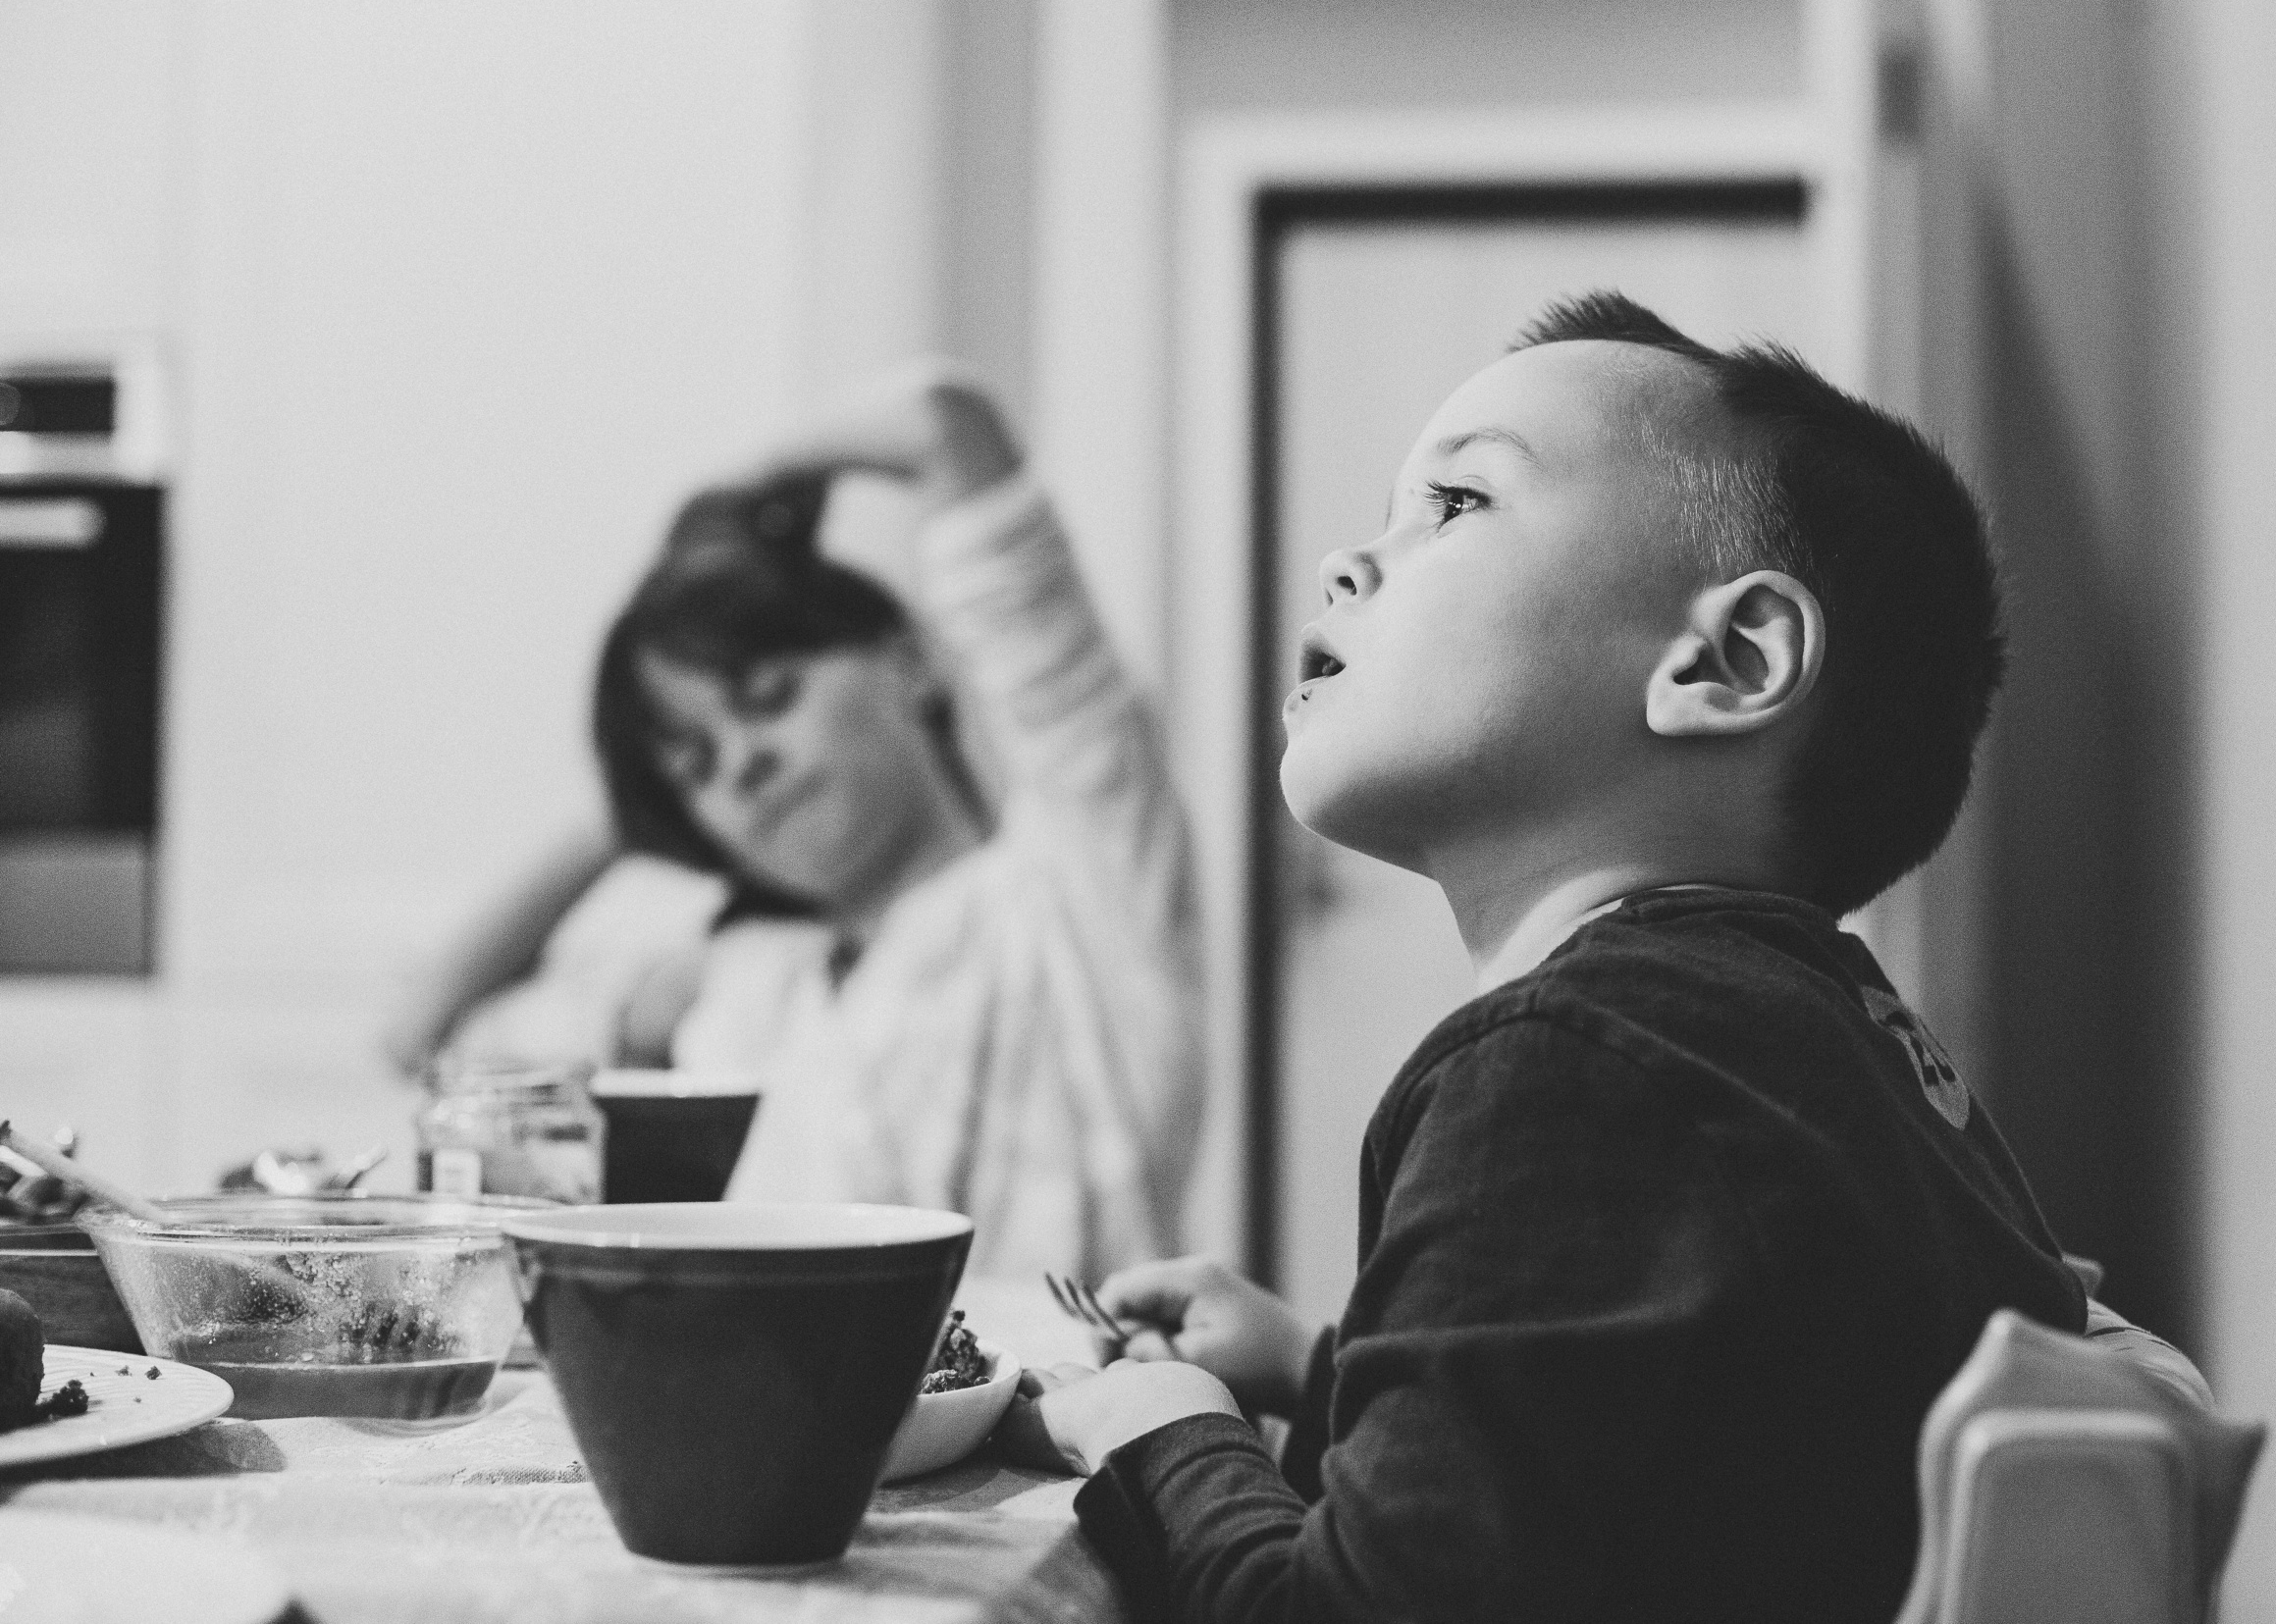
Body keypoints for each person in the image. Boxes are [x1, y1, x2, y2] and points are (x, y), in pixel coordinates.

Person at [1005, 292, 2090, 1621]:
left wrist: (1166, 1426)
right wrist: (1319, 1361)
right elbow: (1706, 1440)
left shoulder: (1580, 1061)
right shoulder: (1807, 1036)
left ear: (1728, 659)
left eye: (1456, 504)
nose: (1350, 557)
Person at [392, 371, 1203, 1280]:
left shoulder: (1079, 892)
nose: (741, 761)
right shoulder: (745, 981)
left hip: (1072, 1415)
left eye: (769, 695)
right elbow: (430, 1041)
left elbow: (945, 428)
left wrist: (745, 492)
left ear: (910, 663)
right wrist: (636, 811)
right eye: (697, 761)